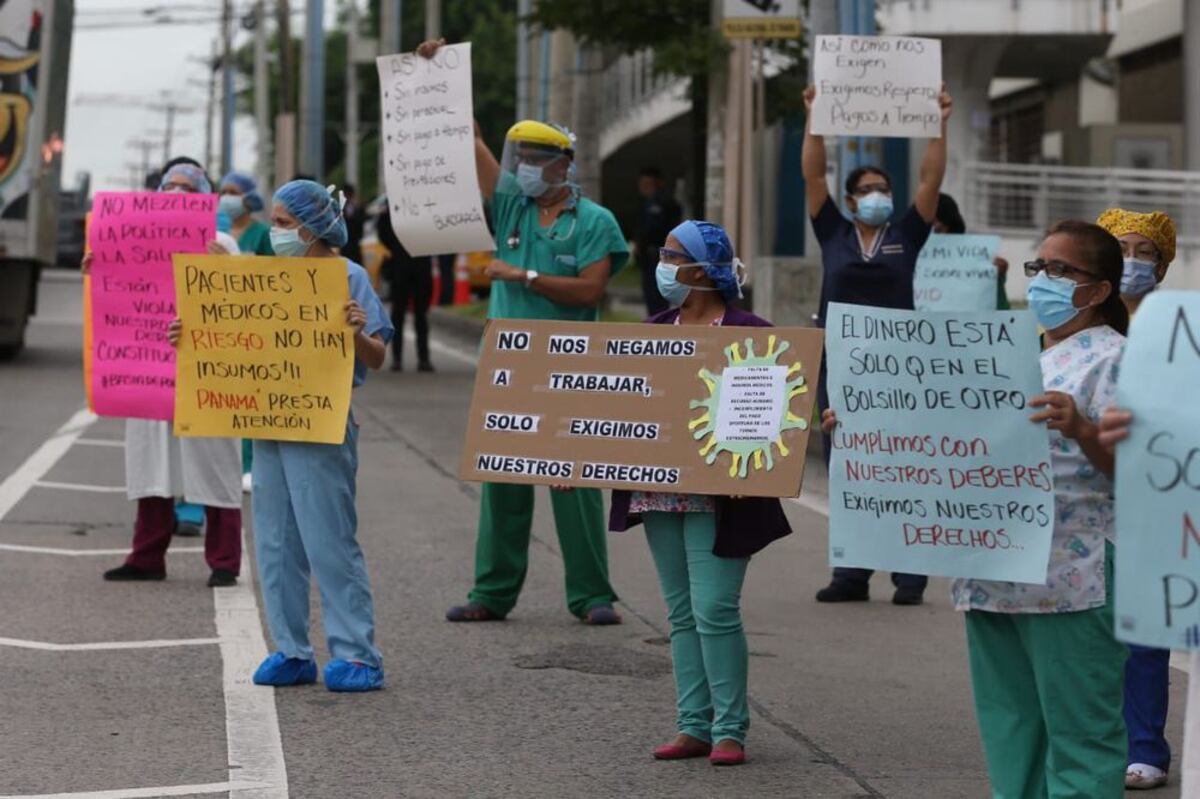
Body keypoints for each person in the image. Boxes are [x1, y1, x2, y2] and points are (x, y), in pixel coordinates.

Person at [417, 38, 629, 626]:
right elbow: (469, 138)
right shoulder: (511, 205)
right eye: (522, 156)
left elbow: (590, 291)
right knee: (503, 480)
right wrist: (439, 72)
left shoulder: (595, 221)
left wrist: (526, 276)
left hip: (569, 368)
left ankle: (592, 595)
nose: (525, 166)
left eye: (538, 158)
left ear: (565, 165)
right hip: (508, 367)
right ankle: (492, 592)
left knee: (572, 482)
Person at [175, 180, 393, 692]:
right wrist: (188, 336)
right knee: (274, 542)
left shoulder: (348, 276)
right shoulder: (265, 277)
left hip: (322, 423)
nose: (275, 232)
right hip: (268, 422)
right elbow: (230, 340)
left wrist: (357, 332)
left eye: (282, 223)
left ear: (312, 227)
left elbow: (378, 356)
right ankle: (292, 650)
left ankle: (357, 654)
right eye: (273, 222)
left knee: (328, 540)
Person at [609, 219, 790, 767]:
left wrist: (752, 471)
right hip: (660, 492)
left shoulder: (752, 332)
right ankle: (694, 725)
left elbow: (781, 410)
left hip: (724, 497)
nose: (661, 264)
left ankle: (729, 729)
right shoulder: (651, 332)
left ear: (703, 270)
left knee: (713, 608)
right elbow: (618, 411)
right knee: (682, 612)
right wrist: (573, 457)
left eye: (671, 255)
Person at [802, 82, 953, 606]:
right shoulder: (833, 233)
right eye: (866, 189)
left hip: (900, 371)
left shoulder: (907, 233)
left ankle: (909, 576)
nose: (876, 196)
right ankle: (851, 573)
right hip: (842, 369)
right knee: (849, 468)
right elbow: (813, 175)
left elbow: (932, 178)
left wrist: (939, 123)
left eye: (883, 189)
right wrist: (814, 117)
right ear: (850, 201)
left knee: (901, 466)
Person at [97, 162, 243, 588]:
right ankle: (146, 557)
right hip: (149, 367)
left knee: (215, 462)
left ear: (204, 196)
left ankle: (224, 561)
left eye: (187, 188)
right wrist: (98, 266)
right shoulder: (135, 237)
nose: (177, 194)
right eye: (170, 186)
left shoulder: (221, 243)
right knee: (152, 463)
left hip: (206, 370)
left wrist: (226, 269)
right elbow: (115, 293)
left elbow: (241, 305)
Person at [1097, 207, 1178, 791]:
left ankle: (1146, 746)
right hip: (1085, 502)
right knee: (1086, 636)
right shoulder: (1072, 329)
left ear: (1163, 267)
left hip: (1155, 498)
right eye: (1119, 250)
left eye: (1144, 253)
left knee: (1145, 631)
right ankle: (1091, 741)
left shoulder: (1182, 335)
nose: (1132, 262)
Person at [376, 206, 434, 372]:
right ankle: (398, 358)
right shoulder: (392, 205)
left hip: (419, 266)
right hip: (401, 266)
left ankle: (423, 358)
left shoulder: (428, 205)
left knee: (420, 314)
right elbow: (383, 232)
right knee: (398, 314)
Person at [934, 192, 1010, 310]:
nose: (931, 236)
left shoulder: (977, 258)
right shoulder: (912, 260)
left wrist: (995, 273)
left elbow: (1000, 313)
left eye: (937, 230)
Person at [634, 166, 682, 315]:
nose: (644, 188)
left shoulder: (666, 203)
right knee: (650, 296)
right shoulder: (643, 204)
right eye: (642, 185)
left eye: (648, 184)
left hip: (660, 255)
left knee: (659, 298)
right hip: (647, 258)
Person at [218, 171, 274, 257]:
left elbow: (273, 264)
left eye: (233, 192)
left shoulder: (264, 233)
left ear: (249, 198)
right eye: (223, 192)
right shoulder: (218, 231)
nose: (226, 197)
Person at [341, 184, 365, 265]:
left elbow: (361, 222)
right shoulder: (340, 209)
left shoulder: (358, 208)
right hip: (345, 245)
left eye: (349, 194)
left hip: (355, 242)